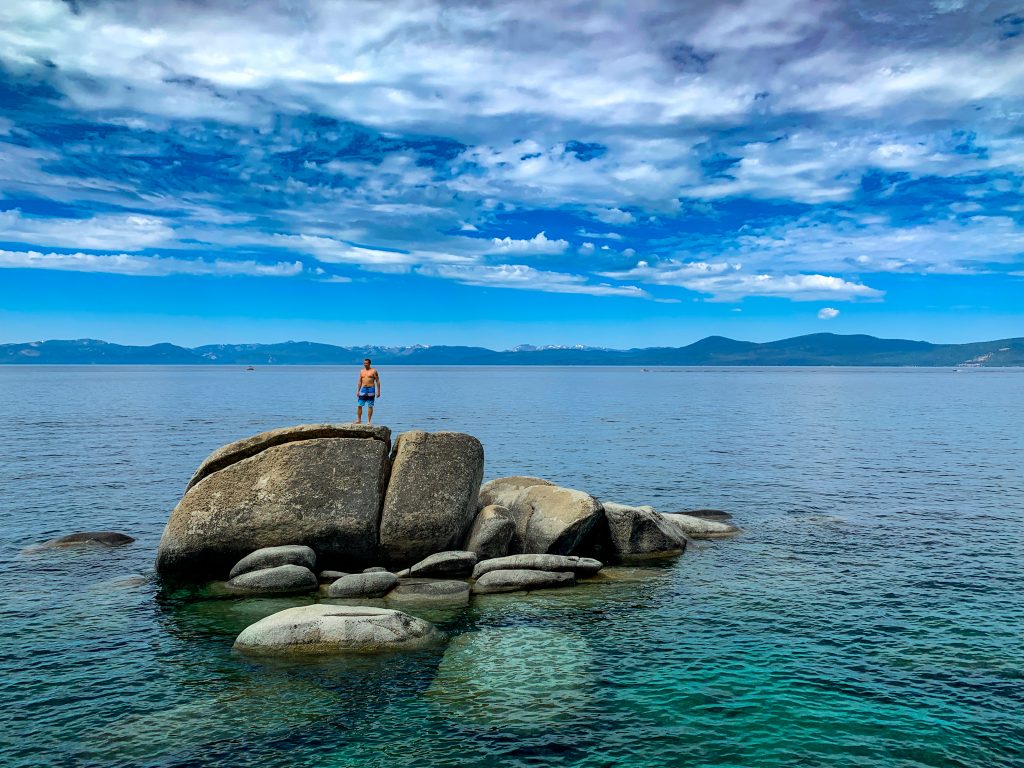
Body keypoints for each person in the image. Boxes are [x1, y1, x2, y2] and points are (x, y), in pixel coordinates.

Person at [356, 358, 381, 424]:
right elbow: (360, 381)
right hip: (363, 389)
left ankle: (369, 421)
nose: (365, 364)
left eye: (366, 363)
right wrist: (358, 391)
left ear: (369, 363)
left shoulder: (374, 371)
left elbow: (378, 381)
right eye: (364, 363)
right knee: (359, 405)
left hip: (371, 389)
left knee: (370, 405)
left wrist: (378, 391)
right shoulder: (361, 371)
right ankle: (359, 420)